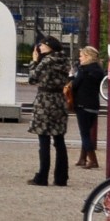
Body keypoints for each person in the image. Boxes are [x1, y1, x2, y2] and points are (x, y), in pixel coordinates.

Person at [26, 38, 72, 186]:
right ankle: (61, 177)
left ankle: (42, 175)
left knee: (44, 140)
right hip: (59, 99)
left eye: (43, 45)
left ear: (50, 46)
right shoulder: (65, 60)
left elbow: (33, 78)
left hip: (45, 101)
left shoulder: (47, 61)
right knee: (59, 140)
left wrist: (34, 61)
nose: (40, 47)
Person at [71, 46, 106, 169]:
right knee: (87, 131)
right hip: (94, 104)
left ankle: (93, 159)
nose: (79, 58)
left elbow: (75, 85)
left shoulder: (83, 70)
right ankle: (82, 158)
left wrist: (71, 77)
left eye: (81, 56)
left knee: (84, 133)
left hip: (82, 103)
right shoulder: (99, 70)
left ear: (87, 56)